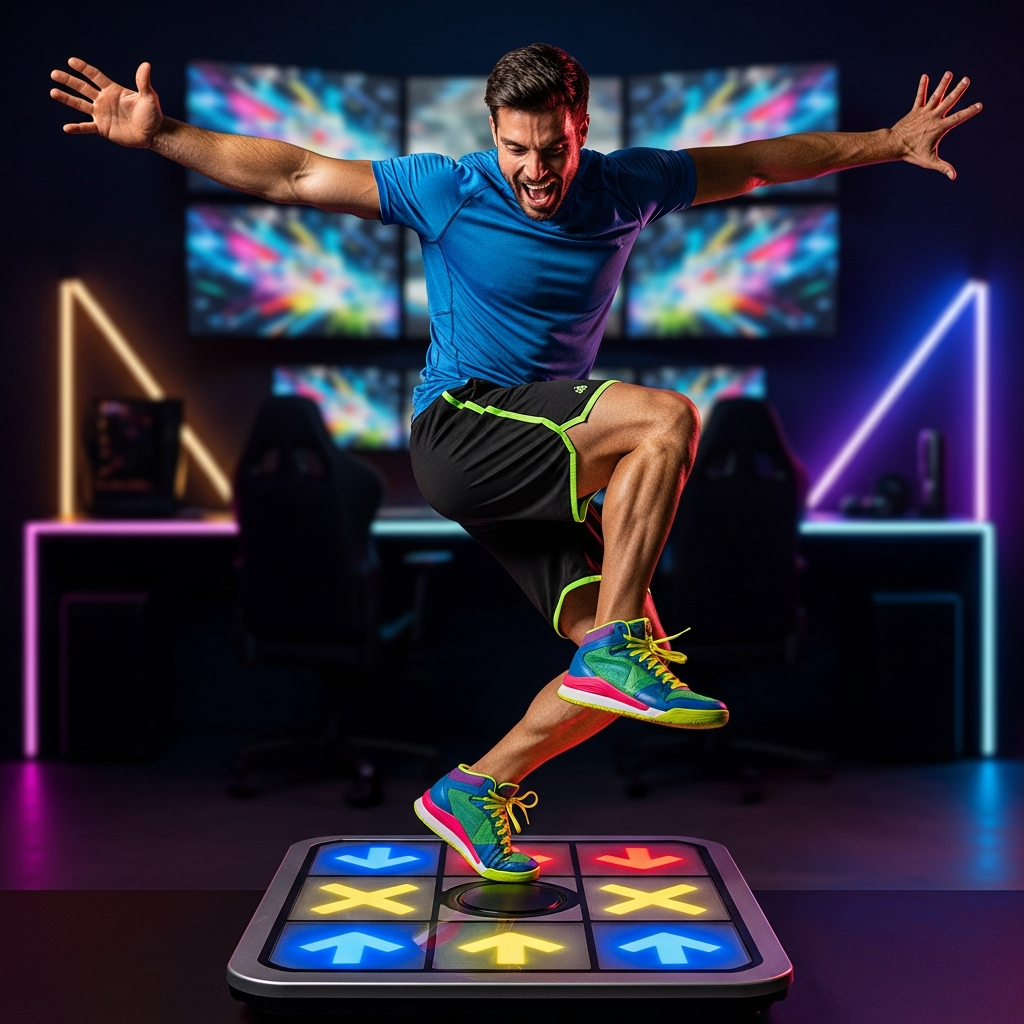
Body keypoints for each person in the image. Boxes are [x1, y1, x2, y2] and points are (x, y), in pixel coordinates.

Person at [51, 43, 981, 882]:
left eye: (554, 148)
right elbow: (296, 174)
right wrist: (164, 132)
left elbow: (759, 161)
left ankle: (476, 787)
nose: (535, 171)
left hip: (540, 455)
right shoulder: (449, 186)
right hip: (462, 430)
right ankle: (617, 649)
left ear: (583, 129)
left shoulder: (628, 185)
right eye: (517, 149)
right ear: (492, 134)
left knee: (623, 667)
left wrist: (889, 141)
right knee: (665, 423)